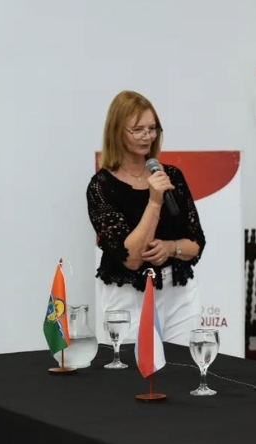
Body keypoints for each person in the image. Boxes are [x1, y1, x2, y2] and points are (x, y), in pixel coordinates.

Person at [86, 90, 206, 345]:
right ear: (117, 131)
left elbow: (196, 243)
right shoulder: (101, 186)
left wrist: (170, 248)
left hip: (178, 290)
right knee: (130, 374)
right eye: (138, 129)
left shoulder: (171, 175)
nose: (147, 136)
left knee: (184, 369)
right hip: (128, 293)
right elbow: (130, 258)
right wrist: (154, 201)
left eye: (152, 128)